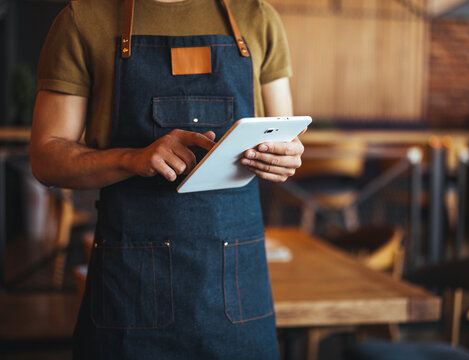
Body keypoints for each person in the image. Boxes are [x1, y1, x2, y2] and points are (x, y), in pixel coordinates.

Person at [29, 0, 304, 358]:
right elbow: (45, 157)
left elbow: (286, 137)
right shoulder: (83, 20)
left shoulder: (258, 17)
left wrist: (286, 157)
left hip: (237, 291)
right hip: (131, 290)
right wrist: (132, 158)